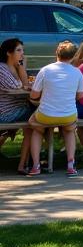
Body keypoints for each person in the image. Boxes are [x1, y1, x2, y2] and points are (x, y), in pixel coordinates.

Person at [26, 40, 83, 176]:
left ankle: (36, 165)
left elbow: (34, 95)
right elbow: (80, 95)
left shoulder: (45, 70)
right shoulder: (77, 73)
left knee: (36, 129)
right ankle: (70, 164)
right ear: (74, 56)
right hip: (68, 115)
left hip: (46, 114)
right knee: (69, 131)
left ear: (56, 53)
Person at [0, 37, 34, 174]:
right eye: (19, 50)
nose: (22, 54)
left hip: (17, 109)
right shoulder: (2, 69)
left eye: (23, 50)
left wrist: (20, 68)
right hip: (6, 113)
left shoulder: (12, 67)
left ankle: (28, 162)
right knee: (39, 116)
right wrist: (21, 67)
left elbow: (25, 86)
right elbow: (21, 87)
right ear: (9, 53)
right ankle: (27, 163)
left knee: (36, 121)